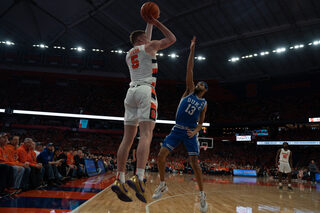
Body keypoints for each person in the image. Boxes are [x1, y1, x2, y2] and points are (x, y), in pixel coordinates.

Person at [111, 15, 176, 203]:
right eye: (146, 37)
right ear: (142, 40)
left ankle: (119, 178)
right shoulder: (149, 46)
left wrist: (148, 23)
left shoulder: (129, 53)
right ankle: (139, 176)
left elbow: (145, 39)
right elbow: (172, 39)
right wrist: (157, 23)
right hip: (146, 91)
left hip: (130, 93)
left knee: (127, 138)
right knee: (146, 134)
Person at [152, 37, 208, 213]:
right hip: (177, 130)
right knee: (161, 156)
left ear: (205, 90)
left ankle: (202, 196)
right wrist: (192, 49)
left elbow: (201, 123)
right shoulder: (190, 90)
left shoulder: (204, 103)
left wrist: (197, 130)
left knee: (195, 164)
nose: (199, 84)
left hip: (190, 133)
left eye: (202, 84)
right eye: (198, 82)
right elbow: (189, 68)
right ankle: (162, 185)